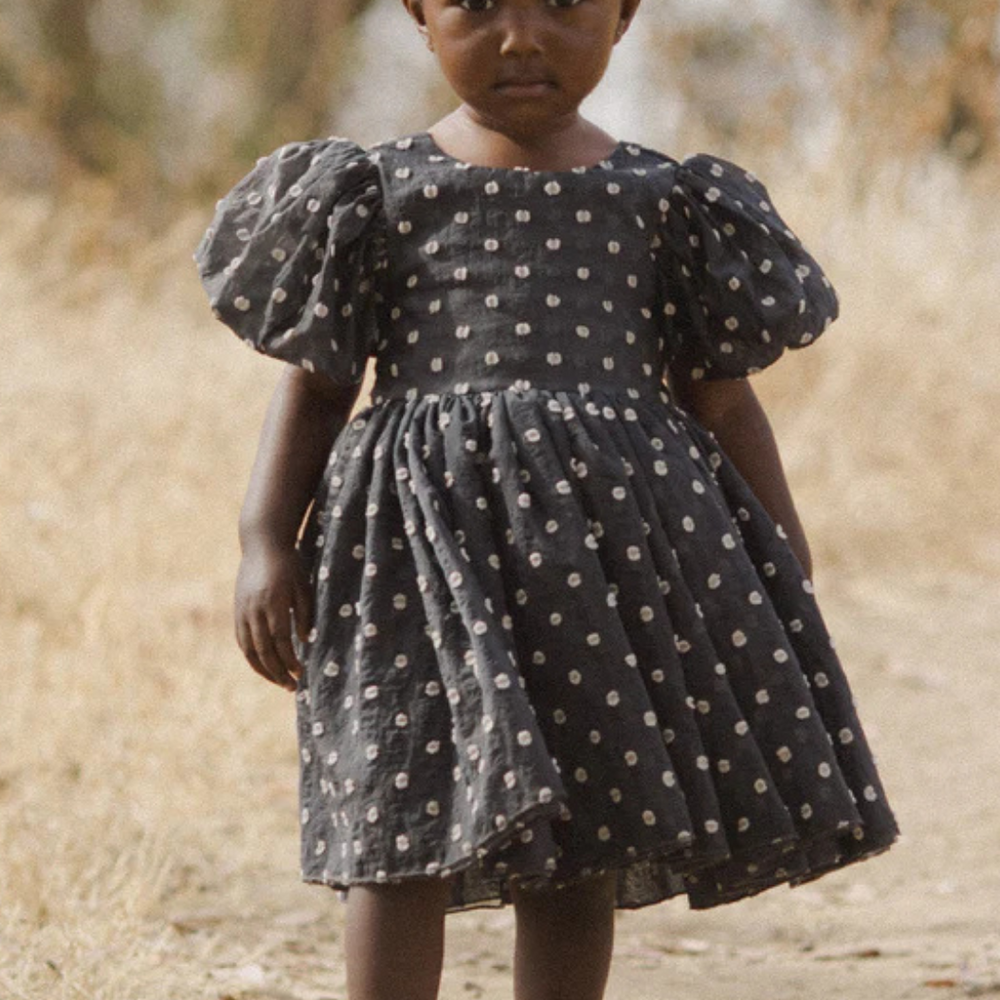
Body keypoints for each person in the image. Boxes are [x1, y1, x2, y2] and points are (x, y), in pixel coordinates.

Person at [193, 1, 899, 998]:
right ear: (420, 21)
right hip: (412, 555)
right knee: (399, 809)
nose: (521, 40)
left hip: (606, 561)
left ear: (622, 17)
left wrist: (778, 551)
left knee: (583, 823)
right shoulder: (372, 191)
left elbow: (722, 399)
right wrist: (264, 539)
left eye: (562, 7)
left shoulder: (664, 198)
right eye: (477, 9)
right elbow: (315, 384)